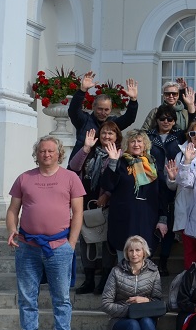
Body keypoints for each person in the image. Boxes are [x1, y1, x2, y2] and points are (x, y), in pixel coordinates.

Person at [6, 136, 86, 330]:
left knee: (61, 297)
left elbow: (78, 212)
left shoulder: (71, 178)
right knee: (27, 296)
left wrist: (71, 243)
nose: (46, 154)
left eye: (51, 151)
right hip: (28, 246)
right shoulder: (24, 178)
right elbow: (13, 210)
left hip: (59, 246)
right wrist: (12, 230)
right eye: (42, 151)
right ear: (37, 154)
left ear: (59, 153)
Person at [100, 235, 165, 330]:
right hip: (121, 319)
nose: (134, 254)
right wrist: (130, 311)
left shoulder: (153, 271)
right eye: (130, 251)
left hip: (146, 317)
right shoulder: (116, 271)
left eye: (138, 250)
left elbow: (158, 301)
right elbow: (106, 303)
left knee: (146, 322)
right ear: (126, 253)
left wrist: (145, 300)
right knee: (133, 325)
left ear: (144, 252)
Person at [68, 122, 121, 294]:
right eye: (104, 133)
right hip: (86, 201)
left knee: (107, 242)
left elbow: (117, 179)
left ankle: (104, 279)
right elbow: (73, 167)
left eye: (111, 133)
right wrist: (85, 148)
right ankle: (89, 279)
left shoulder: (120, 154)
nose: (107, 136)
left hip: (107, 203)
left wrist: (107, 195)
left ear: (117, 137)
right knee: (86, 240)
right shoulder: (90, 152)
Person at [102, 129, 168, 257]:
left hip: (147, 219)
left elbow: (161, 193)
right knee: (124, 258)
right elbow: (107, 185)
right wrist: (113, 162)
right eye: (132, 141)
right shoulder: (120, 162)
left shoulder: (153, 164)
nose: (136, 144)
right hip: (124, 219)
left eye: (139, 141)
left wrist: (163, 219)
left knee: (144, 257)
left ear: (145, 144)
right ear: (127, 144)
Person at [169, 120, 196, 267]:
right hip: (187, 207)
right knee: (190, 250)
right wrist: (172, 178)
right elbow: (173, 186)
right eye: (192, 133)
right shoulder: (181, 155)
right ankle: (191, 279)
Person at [146, 103, 184, 274]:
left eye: (169, 119)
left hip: (171, 182)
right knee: (152, 221)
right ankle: (148, 257)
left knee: (168, 222)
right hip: (152, 182)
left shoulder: (179, 136)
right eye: (162, 118)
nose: (166, 121)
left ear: (174, 121)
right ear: (157, 120)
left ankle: (163, 261)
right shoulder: (148, 136)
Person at [68, 71, 139, 160]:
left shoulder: (113, 123)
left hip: (106, 164)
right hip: (81, 164)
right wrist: (82, 91)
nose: (103, 112)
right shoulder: (84, 120)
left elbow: (129, 118)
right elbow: (73, 110)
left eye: (106, 110)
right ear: (93, 107)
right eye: (100, 109)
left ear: (111, 109)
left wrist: (133, 100)